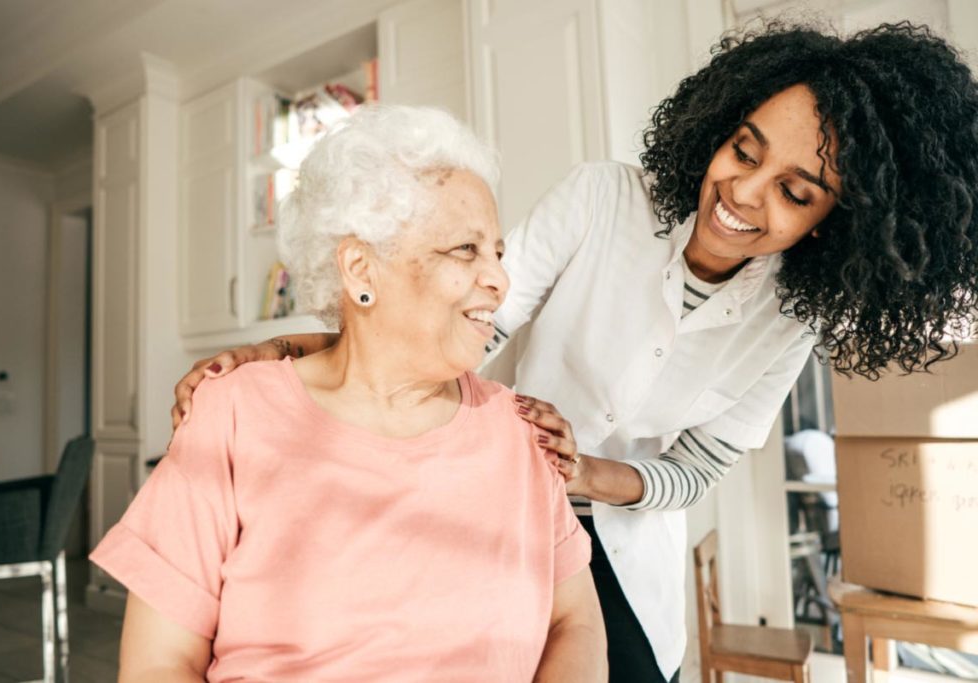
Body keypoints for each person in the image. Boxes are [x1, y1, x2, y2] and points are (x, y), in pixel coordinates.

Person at [171, 21, 978, 683]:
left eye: (795, 192)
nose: (741, 193)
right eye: (743, 150)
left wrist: (587, 471)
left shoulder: (787, 322)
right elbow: (468, 315)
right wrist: (297, 350)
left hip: (622, 545)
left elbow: (700, 468)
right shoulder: (602, 201)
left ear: (836, 223)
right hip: (496, 501)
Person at [92, 105, 608, 682]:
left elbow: (576, 624)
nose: (500, 279)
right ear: (361, 270)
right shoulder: (231, 413)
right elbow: (159, 665)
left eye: (498, 252)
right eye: (466, 249)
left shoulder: (522, 431)